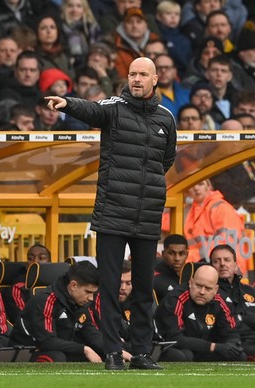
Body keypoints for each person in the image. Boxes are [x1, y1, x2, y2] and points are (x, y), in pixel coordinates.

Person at [44, 56, 177, 370]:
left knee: (145, 288)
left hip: (146, 215)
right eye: (132, 73)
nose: (136, 79)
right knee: (110, 287)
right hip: (113, 213)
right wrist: (67, 103)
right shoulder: (115, 107)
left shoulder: (166, 118)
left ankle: (142, 353)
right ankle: (114, 352)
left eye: (143, 74)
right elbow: (92, 109)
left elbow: (166, 160)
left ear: (156, 79)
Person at [10, 261, 104, 363]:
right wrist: (84, 349)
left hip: (60, 350)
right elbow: (47, 341)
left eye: (93, 293)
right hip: (29, 352)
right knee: (57, 357)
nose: (91, 298)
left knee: (106, 354)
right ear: (73, 286)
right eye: (88, 292)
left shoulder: (80, 302)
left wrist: (115, 350)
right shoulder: (46, 300)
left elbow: (92, 334)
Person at [154, 265, 245, 362]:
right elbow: (174, 339)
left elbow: (231, 332)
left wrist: (232, 344)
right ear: (191, 282)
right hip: (176, 348)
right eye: (198, 286)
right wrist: (213, 346)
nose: (202, 292)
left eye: (208, 288)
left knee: (238, 355)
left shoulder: (222, 300)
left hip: (205, 349)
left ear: (216, 289)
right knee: (183, 356)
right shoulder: (176, 298)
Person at [91, 259, 133, 357]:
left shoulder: (135, 298)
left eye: (128, 283)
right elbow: (101, 332)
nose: (123, 288)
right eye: (120, 282)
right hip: (105, 345)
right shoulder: (99, 297)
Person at [4, 243, 51, 324]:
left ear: (50, 263)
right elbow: (24, 319)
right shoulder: (18, 288)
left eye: (41, 258)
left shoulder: (58, 284)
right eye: (30, 258)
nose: (35, 261)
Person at [154, 234, 189, 301]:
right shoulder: (154, 276)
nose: (177, 258)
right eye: (171, 253)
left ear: (187, 254)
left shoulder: (192, 274)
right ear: (163, 254)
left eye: (181, 254)